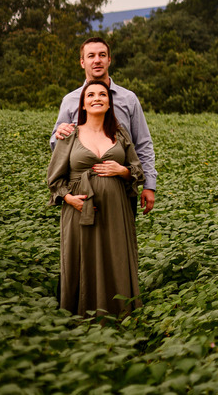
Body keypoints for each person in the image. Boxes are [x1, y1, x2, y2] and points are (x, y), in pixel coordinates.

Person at [47, 79, 143, 316]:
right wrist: (70, 199)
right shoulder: (70, 134)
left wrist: (122, 171)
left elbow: (136, 169)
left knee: (116, 257)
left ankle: (120, 314)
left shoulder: (119, 133)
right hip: (80, 210)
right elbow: (54, 179)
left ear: (110, 103)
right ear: (83, 104)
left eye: (102, 94)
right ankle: (80, 317)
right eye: (91, 95)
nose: (97, 98)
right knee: (81, 259)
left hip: (115, 208)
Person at [52, 37, 157, 214]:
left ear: (109, 59)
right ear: (82, 62)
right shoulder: (70, 101)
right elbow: (57, 148)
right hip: (81, 192)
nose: (97, 60)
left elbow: (143, 144)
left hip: (122, 187)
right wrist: (58, 135)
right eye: (91, 56)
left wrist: (149, 185)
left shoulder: (128, 99)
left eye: (102, 55)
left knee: (120, 238)